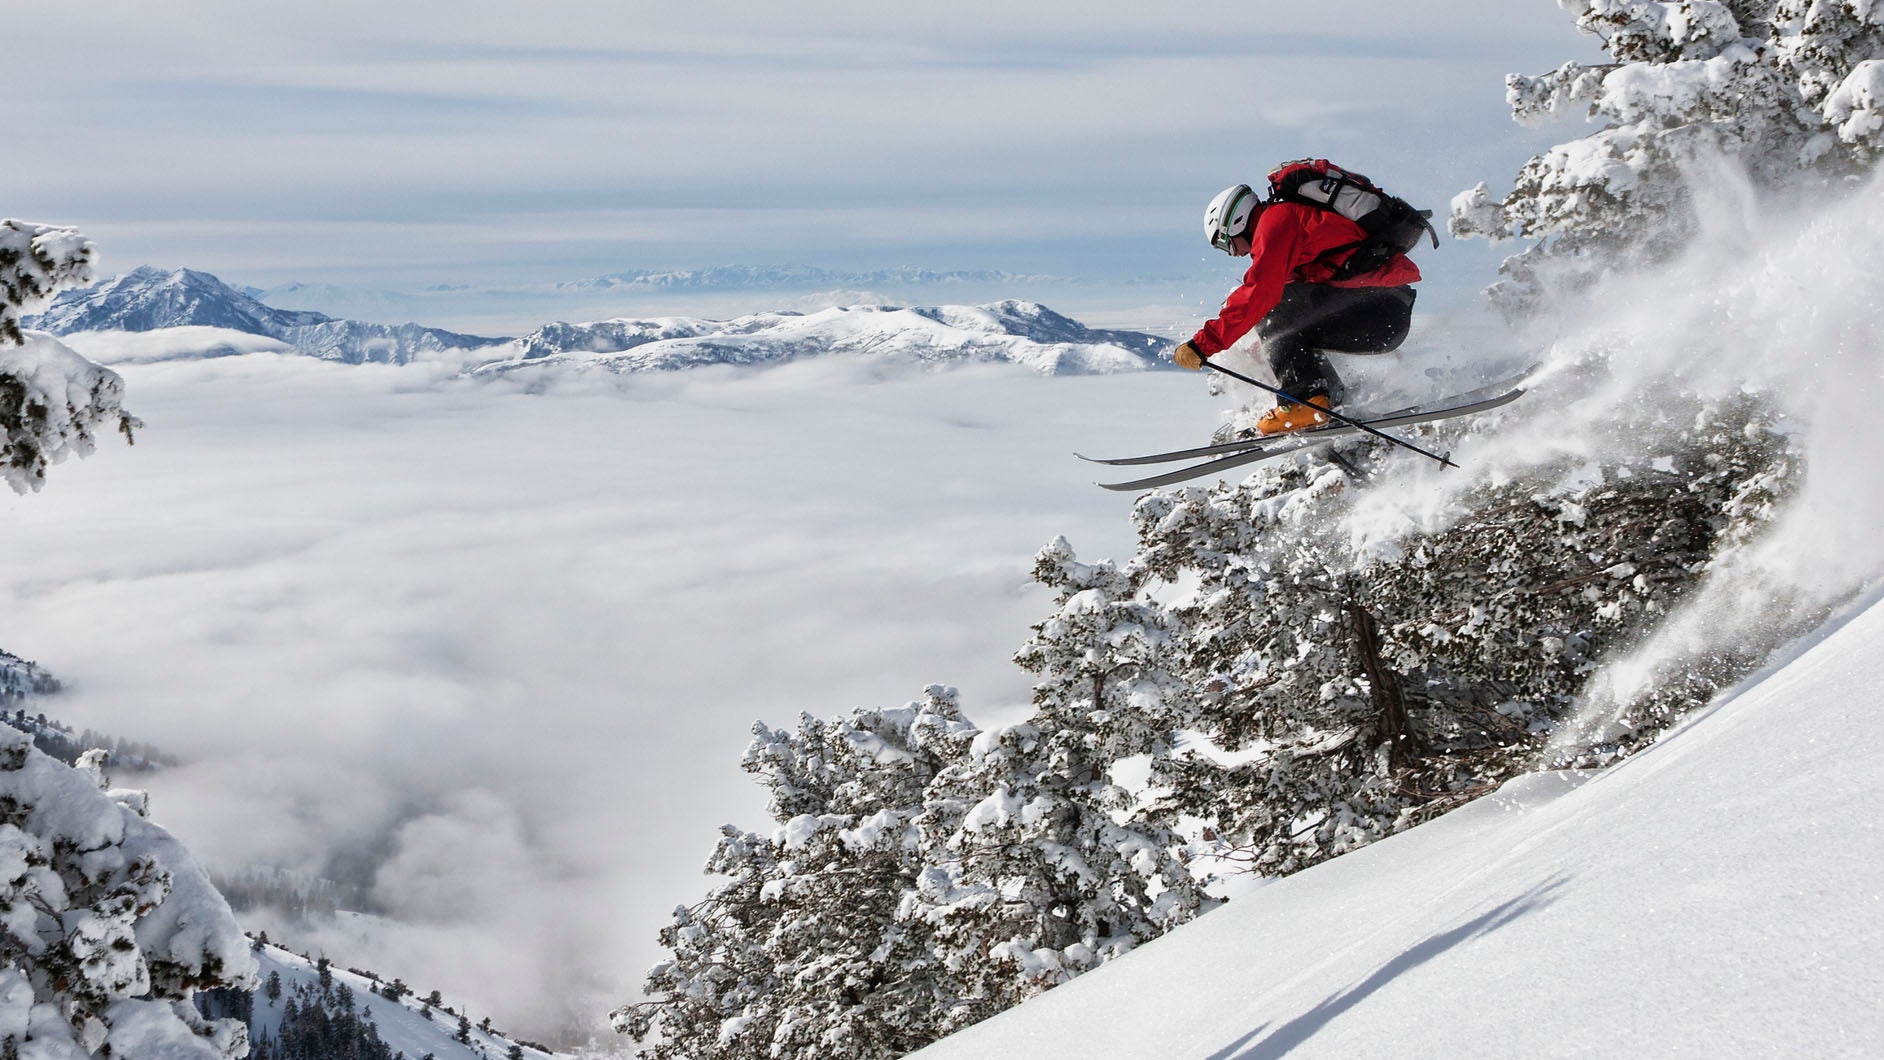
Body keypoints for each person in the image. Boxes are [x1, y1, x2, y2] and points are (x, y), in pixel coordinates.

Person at [1171, 179, 1422, 435]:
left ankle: (1305, 402)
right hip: (1382, 311)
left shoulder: (1276, 224)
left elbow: (1259, 293)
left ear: (1237, 223)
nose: (1233, 254)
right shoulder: (1285, 227)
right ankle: (1324, 398)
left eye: (1226, 244)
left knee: (1274, 308)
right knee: (1286, 321)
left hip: (1378, 311)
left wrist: (1203, 344)